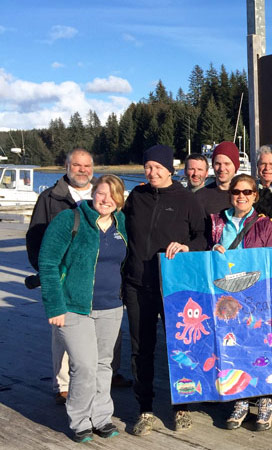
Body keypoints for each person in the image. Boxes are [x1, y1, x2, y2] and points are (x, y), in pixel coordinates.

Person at [123, 145, 207, 436]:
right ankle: (144, 409)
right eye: (147, 167)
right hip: (137, 285)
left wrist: (187, 247)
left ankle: (181, 407)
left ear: (170, 170)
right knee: (141, 350)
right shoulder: (137, 196)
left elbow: (202, 237)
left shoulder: (185, 199)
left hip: (174, 288)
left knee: (179, 348)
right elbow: (120, 231)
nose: (152, 172)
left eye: (158, 168)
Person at [38, 174, 128, 443]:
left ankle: (101, 418)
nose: (106, 200)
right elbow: (48, 263)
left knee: (104, 364)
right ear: (93, 193)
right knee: (84, 366)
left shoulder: (120, 222)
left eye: (113, 196)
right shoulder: (70, 220)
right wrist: (55, 306)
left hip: (111, 306)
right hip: (74, 307)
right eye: (102, 193)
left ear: (120, 200)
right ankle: (79, 419)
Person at [208, 173, 272, 431]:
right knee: (234, 349)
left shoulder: (264, 225)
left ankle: (264, 400)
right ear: (231, 194)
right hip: (228, 299)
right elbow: (207, 262)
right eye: (237, 192)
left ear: (255, 196)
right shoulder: (218, 223)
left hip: (256, 298)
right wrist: (213, 252)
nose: (241, 196)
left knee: (260, 348)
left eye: (247, 192)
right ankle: (240, 400)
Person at [27, 148, 96, 405]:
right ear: (67, 166)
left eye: (87, 166)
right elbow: (34, 235)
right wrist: (45, 271)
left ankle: (105, 373)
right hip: (63, 275)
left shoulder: (102, 194)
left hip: (95, 274)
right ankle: (63, 383)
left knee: (98, 324)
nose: (82, 170)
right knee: (63, 330)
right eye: (77, 165)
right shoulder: (50, 197)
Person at [195, 141, 240, 216]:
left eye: (227, 164)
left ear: (235, 166)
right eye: (217, 164)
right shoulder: (200, 197)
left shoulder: (245, 195)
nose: (222, 168)